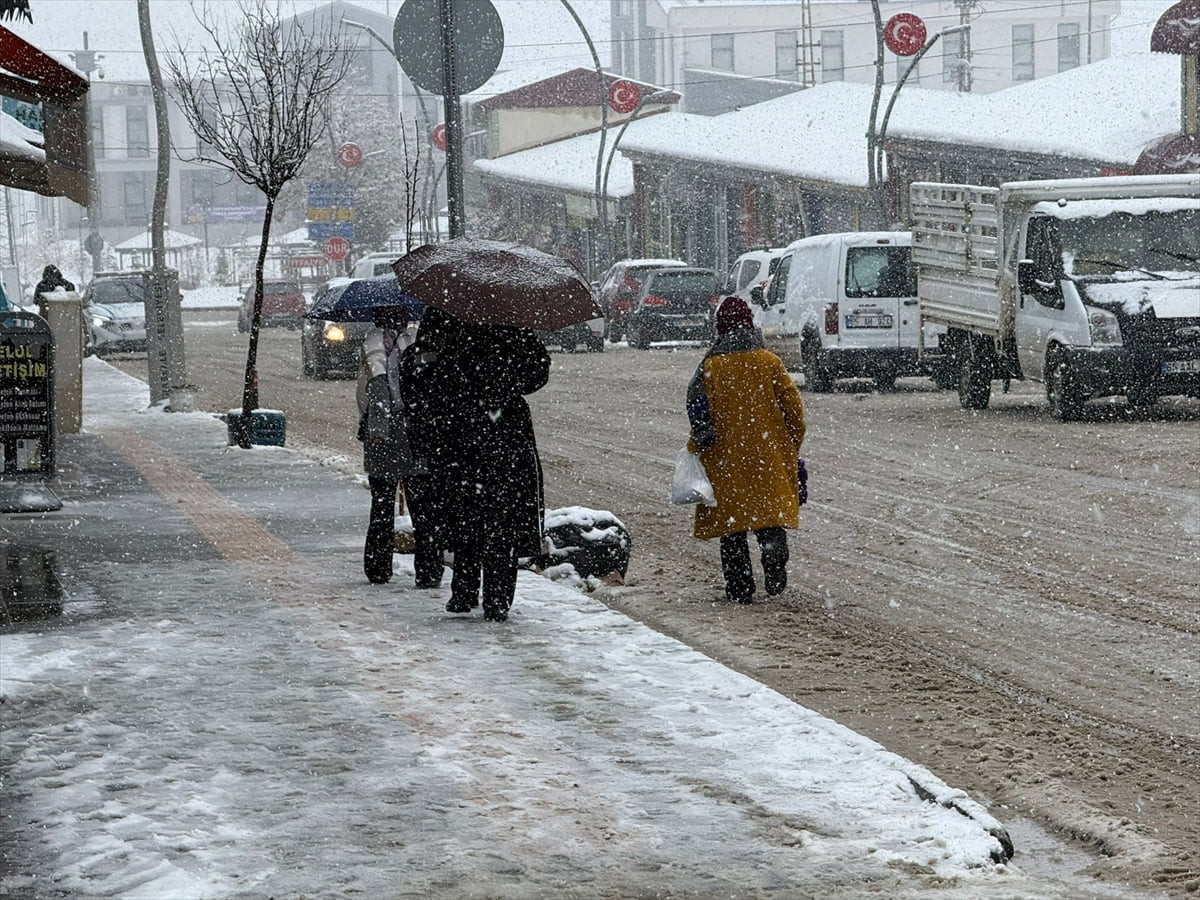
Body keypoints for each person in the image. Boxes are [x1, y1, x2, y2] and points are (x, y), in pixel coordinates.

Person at [400, 307, 550, 622]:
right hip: (500, 432)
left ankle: (466, 588)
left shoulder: (444, 311)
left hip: (458, 432)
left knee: (466, 513)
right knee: (499, 517)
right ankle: (496, 596)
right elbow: (538, 371)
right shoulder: (510, 318)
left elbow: (421, 372)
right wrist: (502, 380)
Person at [686, 296, 807, 604]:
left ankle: (740, 586)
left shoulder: (711, 366)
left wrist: (701, 439)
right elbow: (794, 409)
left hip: (726, 459)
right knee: (768, 516)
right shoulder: (769, 362)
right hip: (768, 456)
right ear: (749, 325)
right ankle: (774, 559)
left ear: (720, 328)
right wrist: (788, 445)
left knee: (733, 525)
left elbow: (697, 408)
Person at [357, 303, 419, 585]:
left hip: (383, 435)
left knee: (381, 505)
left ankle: (378, 567)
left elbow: (377, 388)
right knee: (422, 503)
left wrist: (378, 430)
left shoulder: (373, 344)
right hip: (414, 431)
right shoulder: (414, 340)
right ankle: (429, 569)